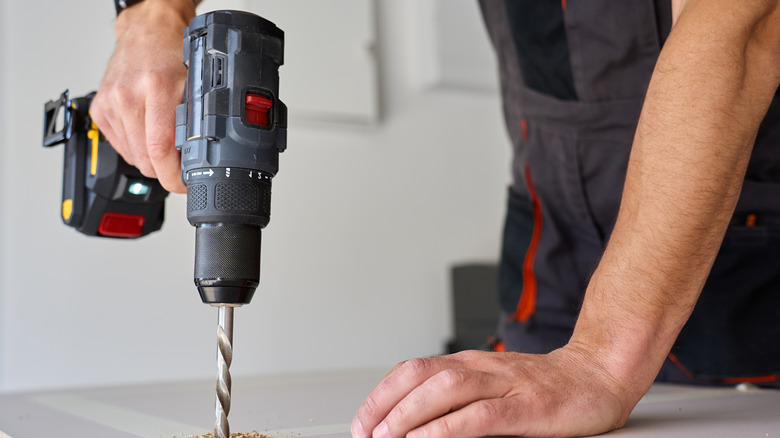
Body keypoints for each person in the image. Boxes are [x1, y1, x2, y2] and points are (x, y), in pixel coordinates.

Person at [91, 0, 780, 436]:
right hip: (552, 250)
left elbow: (740, 28)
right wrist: (151, 16)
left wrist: (602, 361)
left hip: (749, 270)